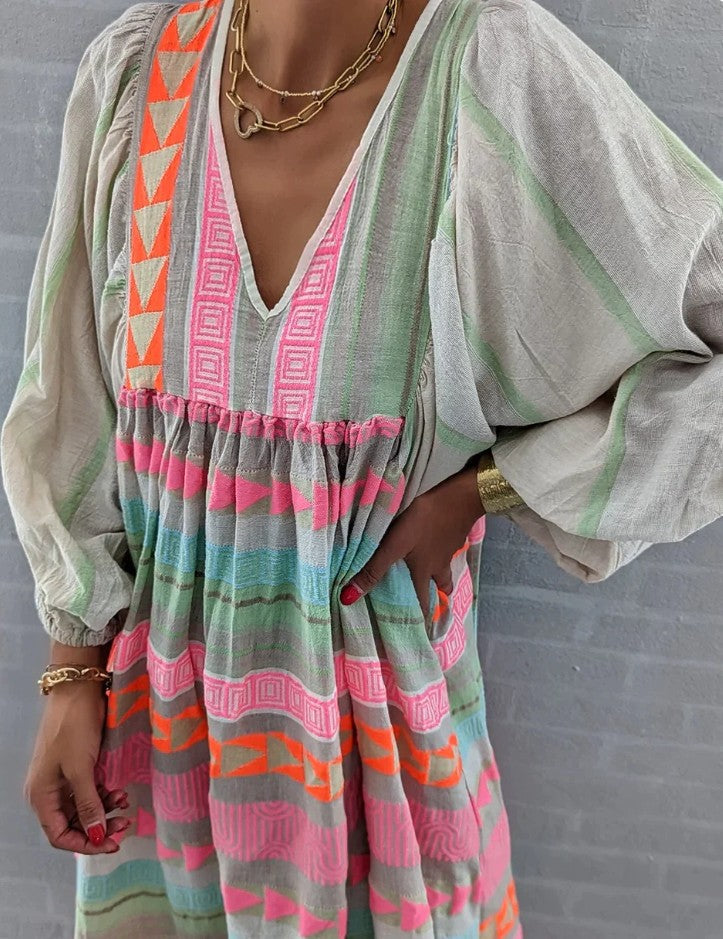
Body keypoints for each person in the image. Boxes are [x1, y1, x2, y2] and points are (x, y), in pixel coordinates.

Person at [1, 0, 721, 935]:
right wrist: (71, 672)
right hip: (164, 746)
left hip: (376, 768)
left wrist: (489, 489)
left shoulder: (488, 74)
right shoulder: (137, 78)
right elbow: (72, 404)